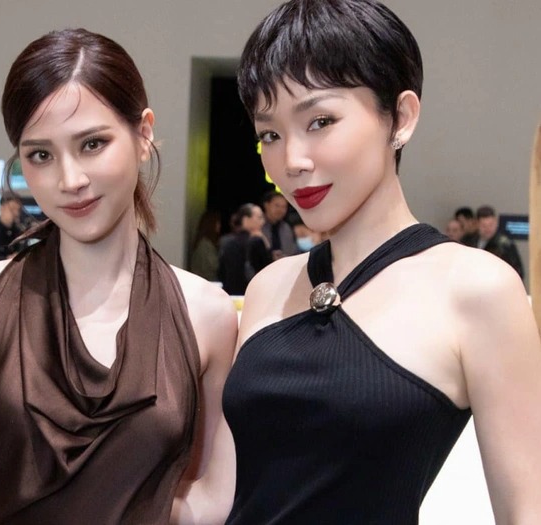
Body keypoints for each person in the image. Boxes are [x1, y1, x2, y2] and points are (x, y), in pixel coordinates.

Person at [0, 28, 237, 525]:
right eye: (41, 155)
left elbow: (210, 496)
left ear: (143, 135)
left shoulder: (207, 315)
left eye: (92, 144)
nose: (70, 180)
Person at [222, 1, 541, 523]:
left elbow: (526, 512)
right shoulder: (269, 286)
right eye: (270, 134)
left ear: (401, 117)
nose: (291, 160)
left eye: (320, 121)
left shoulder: (474, 289)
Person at [218, 203, 273, 295]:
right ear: (246, 219)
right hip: (251, 294)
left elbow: (221, 273)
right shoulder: (257, 241)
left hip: (229, 294)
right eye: (259, 218)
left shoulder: (226, 241)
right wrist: (266, 245)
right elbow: (268, 270)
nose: (263, 222)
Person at [476, 204, 524, 279]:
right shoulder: (470, 242)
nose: (488, 229)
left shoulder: (505, 245)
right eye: (484, 226)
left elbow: (517, 271)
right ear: (477, 224)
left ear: (496, 223)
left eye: (491, 225)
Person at [261, 190, 298, 259]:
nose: (280, 210)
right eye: (277, 205)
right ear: (266, 205)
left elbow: (293, 252)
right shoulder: (257, 226)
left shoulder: (287, 228)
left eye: (284, 207)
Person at [190, 210, 221, 281]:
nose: (219, 226)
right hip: (206, 281)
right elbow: (214, 266)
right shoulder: (205, 245)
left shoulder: (205, 242)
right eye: (217, 223)